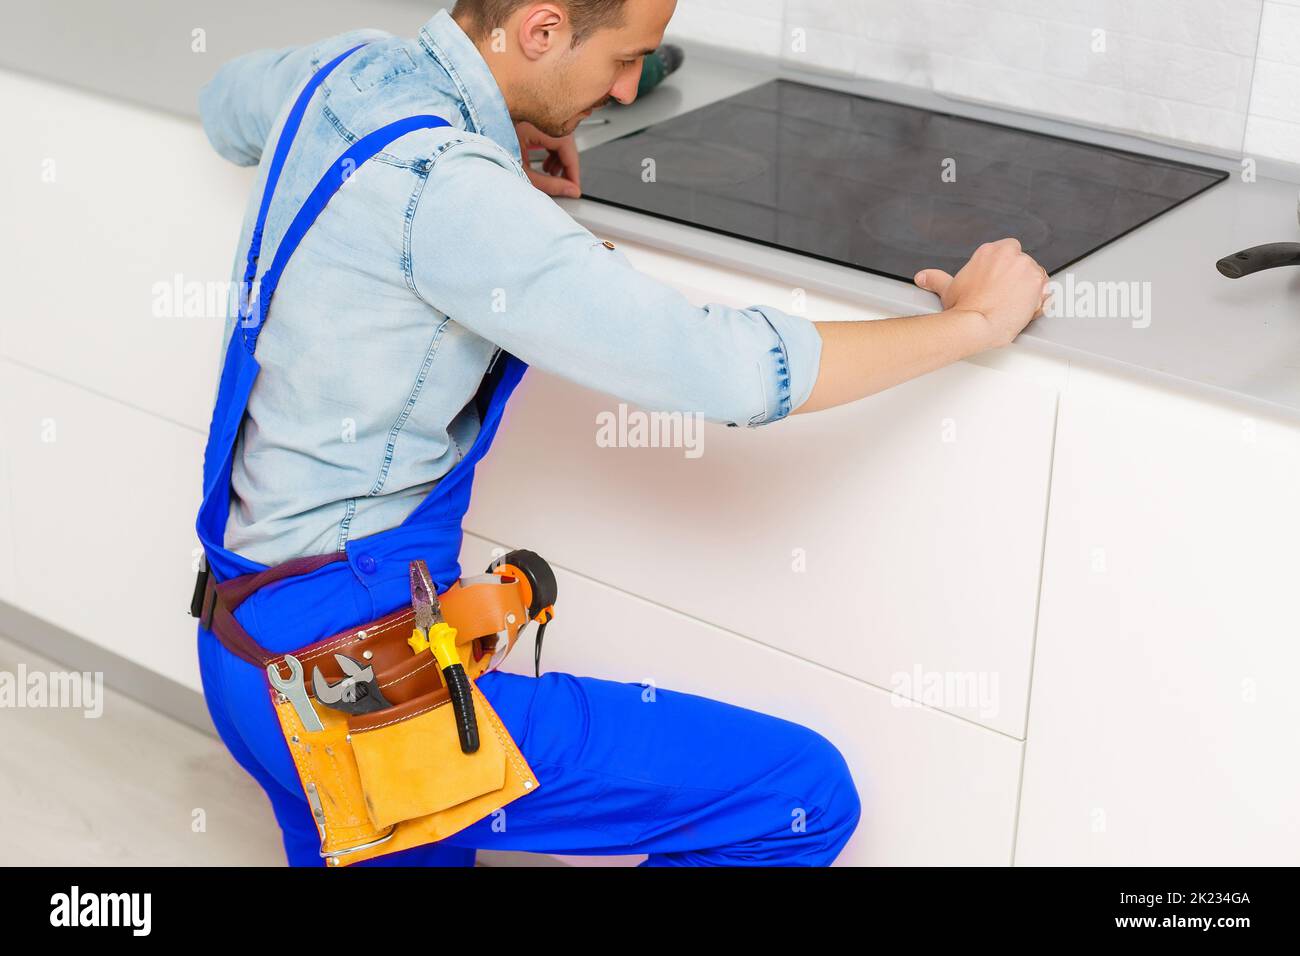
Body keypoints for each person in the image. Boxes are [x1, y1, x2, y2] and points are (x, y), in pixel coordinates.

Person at [195, 0, 1050, 867]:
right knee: (798, 793)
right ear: (541, 31)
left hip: (245, 653)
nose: (633, 84)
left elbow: (226, 106)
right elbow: (727, 369)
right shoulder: (453, 195)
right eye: (626, 57)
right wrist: (973, 326)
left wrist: (500, 145)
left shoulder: (342, 68)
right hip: (367, 694)